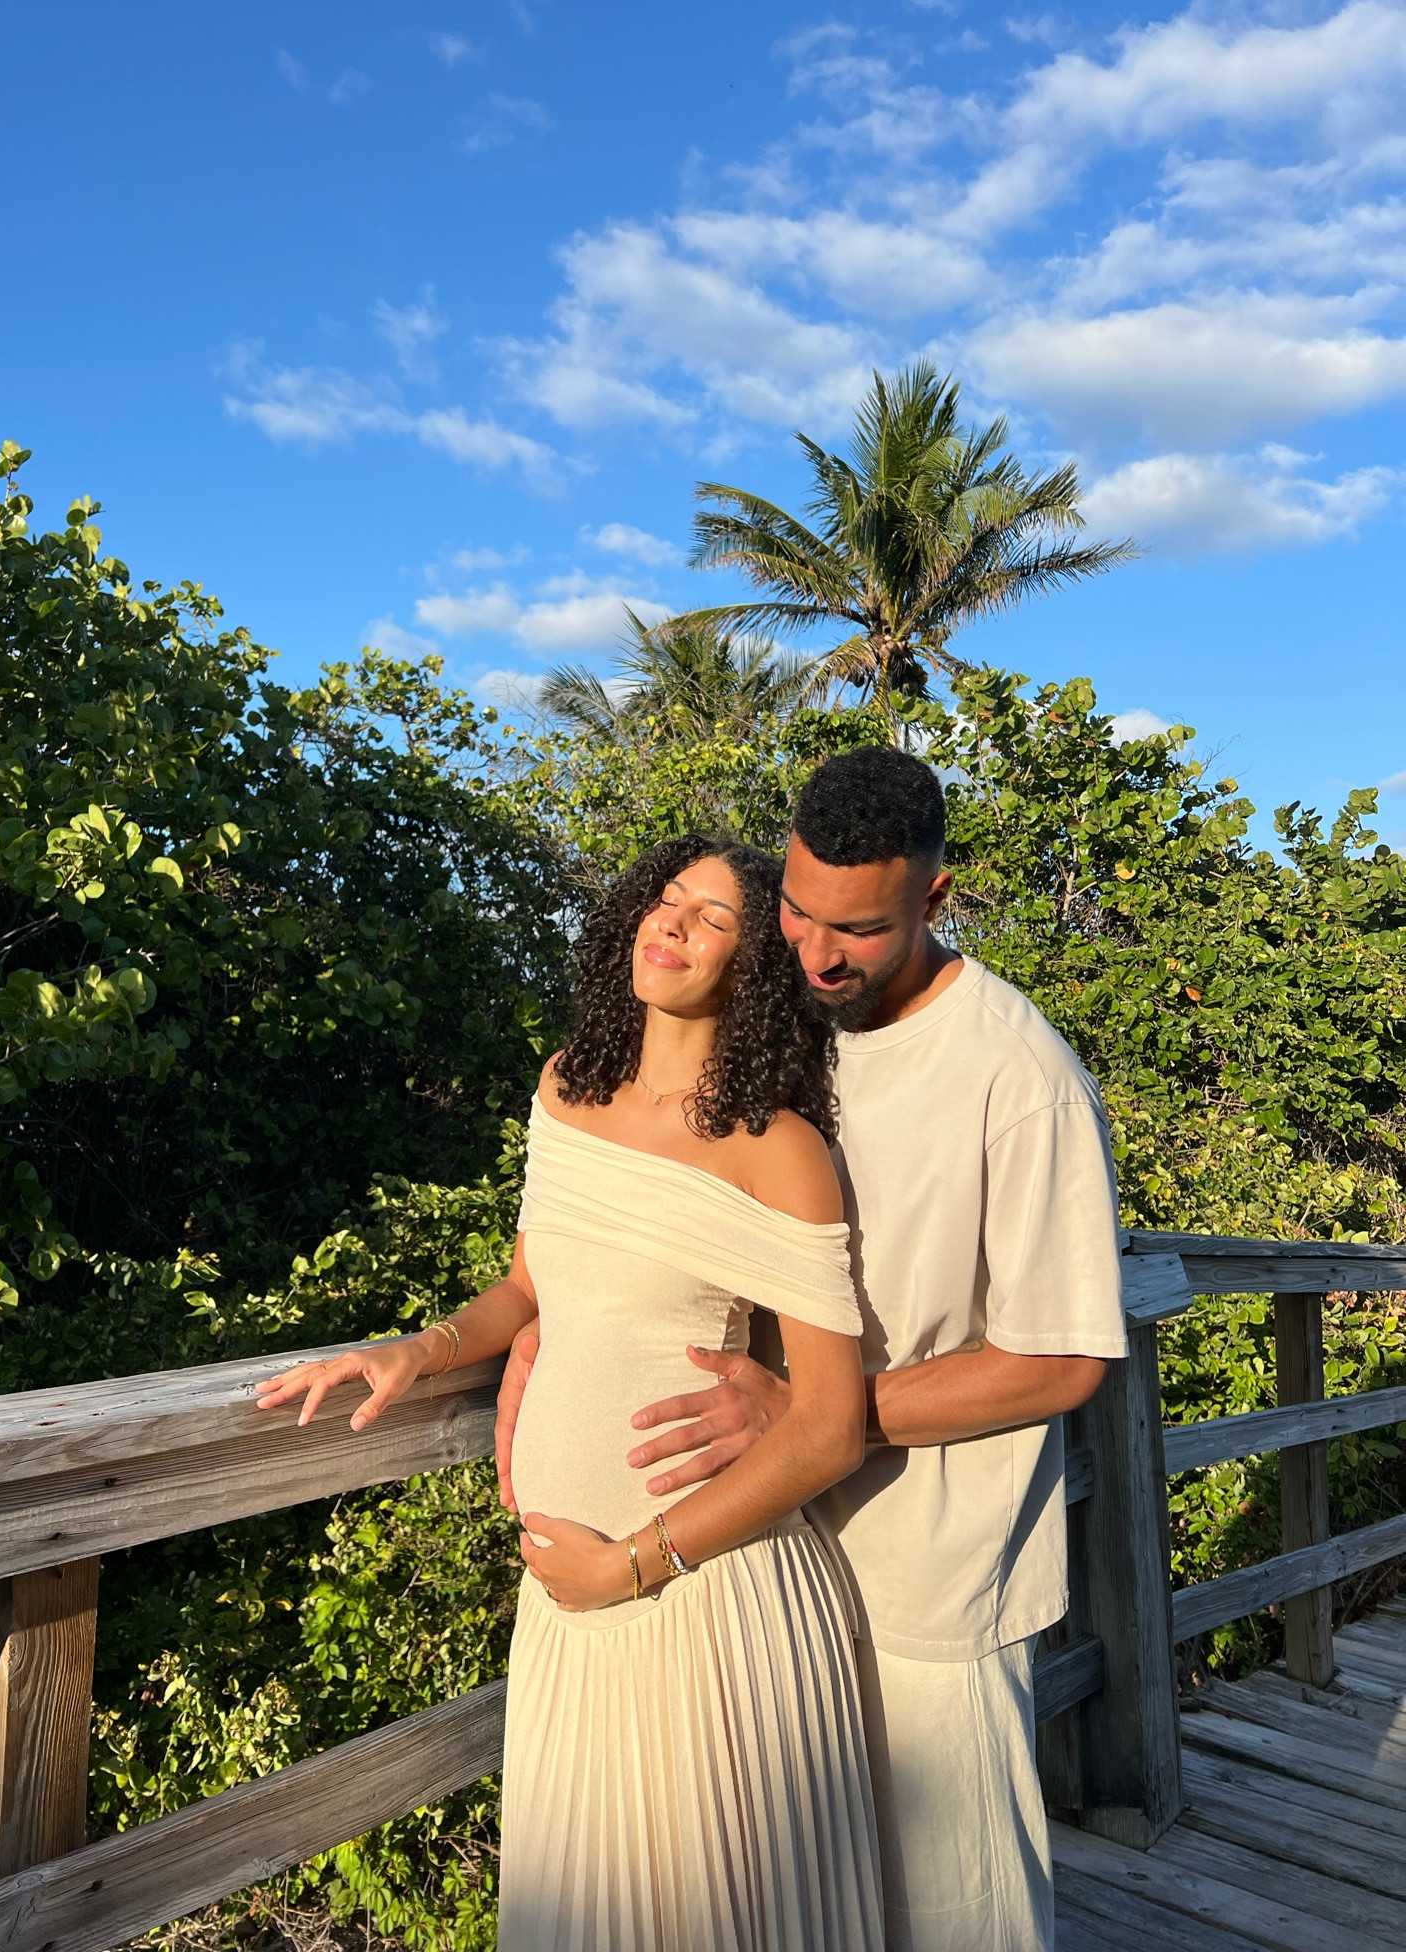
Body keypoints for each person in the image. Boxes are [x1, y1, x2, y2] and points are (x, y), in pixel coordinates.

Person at [497, 749, 1128, 1952]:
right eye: (796, 909)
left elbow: (1063, 1360)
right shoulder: (799, 1024)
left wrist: (812, 1411)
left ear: (937, 902)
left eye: (859, 928)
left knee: (956, 1922)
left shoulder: (1018, 1075)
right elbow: (672, 1208)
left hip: (929, 1579)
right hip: (775, 1558)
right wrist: (549, 1321)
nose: (818, 948)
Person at [257, 834, 884, 1952]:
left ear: (753, 969)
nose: (675, 920)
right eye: (666, 896)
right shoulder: (566, 1086)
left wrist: (633, 1562)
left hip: (707, 1602)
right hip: (567, 1609)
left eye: (715, 917)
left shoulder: (777, 1147)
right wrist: (423, 1348)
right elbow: (532, 1284)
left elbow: (831, 1424)